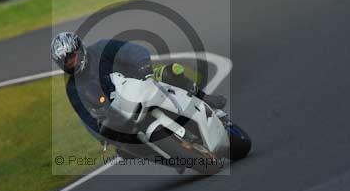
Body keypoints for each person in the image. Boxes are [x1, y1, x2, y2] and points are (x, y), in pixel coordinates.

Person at [50, 32, 226, 143]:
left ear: (80, 49)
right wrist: (101, 135)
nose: (71, 63)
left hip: (140, 80)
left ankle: (203, 97)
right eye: (65, 61)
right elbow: (85, 117)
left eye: (71, 56)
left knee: (172, 71)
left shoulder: (101, 48)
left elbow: (131, 50)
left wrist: (143, 66)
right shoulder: (73, 88)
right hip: (116, 111)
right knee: (122, 145)